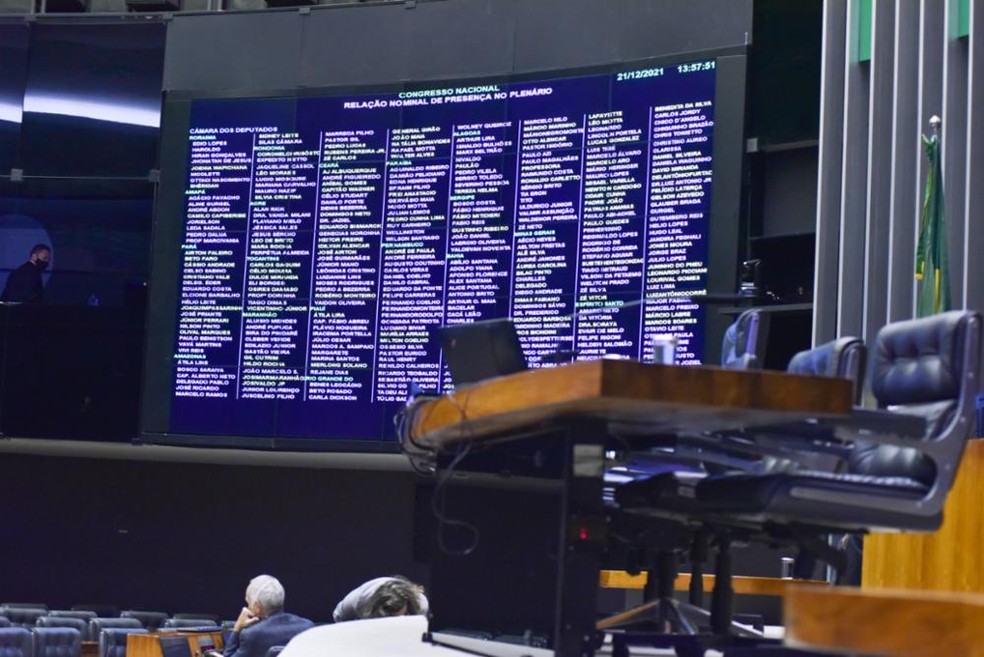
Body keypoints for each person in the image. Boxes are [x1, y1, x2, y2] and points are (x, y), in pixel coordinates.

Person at [223, 575, 314, 657]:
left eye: (248, 602)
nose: (248, 607)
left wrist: (237, 628)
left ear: (257, 607)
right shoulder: (308, 627)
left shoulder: (252, 635)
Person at [332, 576, 428, 622]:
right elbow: (339, 616)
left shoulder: (420, 605)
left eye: (399, 618)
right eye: (391, 617)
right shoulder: (361, 601)